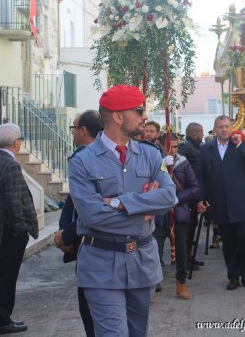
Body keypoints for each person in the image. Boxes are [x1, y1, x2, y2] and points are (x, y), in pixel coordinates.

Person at [68, 85, 178, 337]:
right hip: (101, 264)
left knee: (138, 332)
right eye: (139, 110)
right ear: (118, 116)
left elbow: (169, 196)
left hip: (141, 260)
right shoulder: (82, 161)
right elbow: (92, 215)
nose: (144, 116)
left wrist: (120, 202)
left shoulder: (150, 155)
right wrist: (146, 208)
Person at [0, 123, 39, 335]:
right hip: (10, 231)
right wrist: (21, 228)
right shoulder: (10, 165)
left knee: (0, 274)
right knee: (7, 276)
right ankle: (2, 320)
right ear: (17, 142)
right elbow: (14, 202)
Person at [55, 110, 103, 337]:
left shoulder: (88, 159)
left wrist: (66, 236)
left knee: (94, 310)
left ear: (84, 130)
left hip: (93, 244)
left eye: (74, 128)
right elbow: (71, 201)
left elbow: (90, 211)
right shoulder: (82, 157)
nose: (73, 132)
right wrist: (64, 232)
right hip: (81, 240)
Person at [196, 116, 245, 290]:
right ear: (215, 129)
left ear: (232, 128)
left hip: (242, 202)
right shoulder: (206, 149)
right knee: (228, 242)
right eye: (220, 127)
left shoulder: (240, 146)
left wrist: (240, 145)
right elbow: (199, 176)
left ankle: (244, 269)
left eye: (227, 126)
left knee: (244, 238)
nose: (224, 130)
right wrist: (201, 198)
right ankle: (233, 275)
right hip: (220, 203)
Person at [158, 133, 200, 300]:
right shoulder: (155, 161)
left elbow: (194, 188)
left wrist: (178, 198)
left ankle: (181, 282)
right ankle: (154, 282)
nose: (172, 150)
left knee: (181, 251)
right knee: (155, 249)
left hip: (179, 212)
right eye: (169, 146)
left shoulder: (183, 163)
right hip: (160, 213)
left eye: (175, 146)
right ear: (161, 145)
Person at [178, 122, 206, 268]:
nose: (202, 135)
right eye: (201, 133)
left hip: (194, 192)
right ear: (195, 133)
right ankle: (185, 257)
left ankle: (188, 255)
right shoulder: (185, 147)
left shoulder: (195, 146)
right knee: (188, 227)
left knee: (192, 225)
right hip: (188, 193)